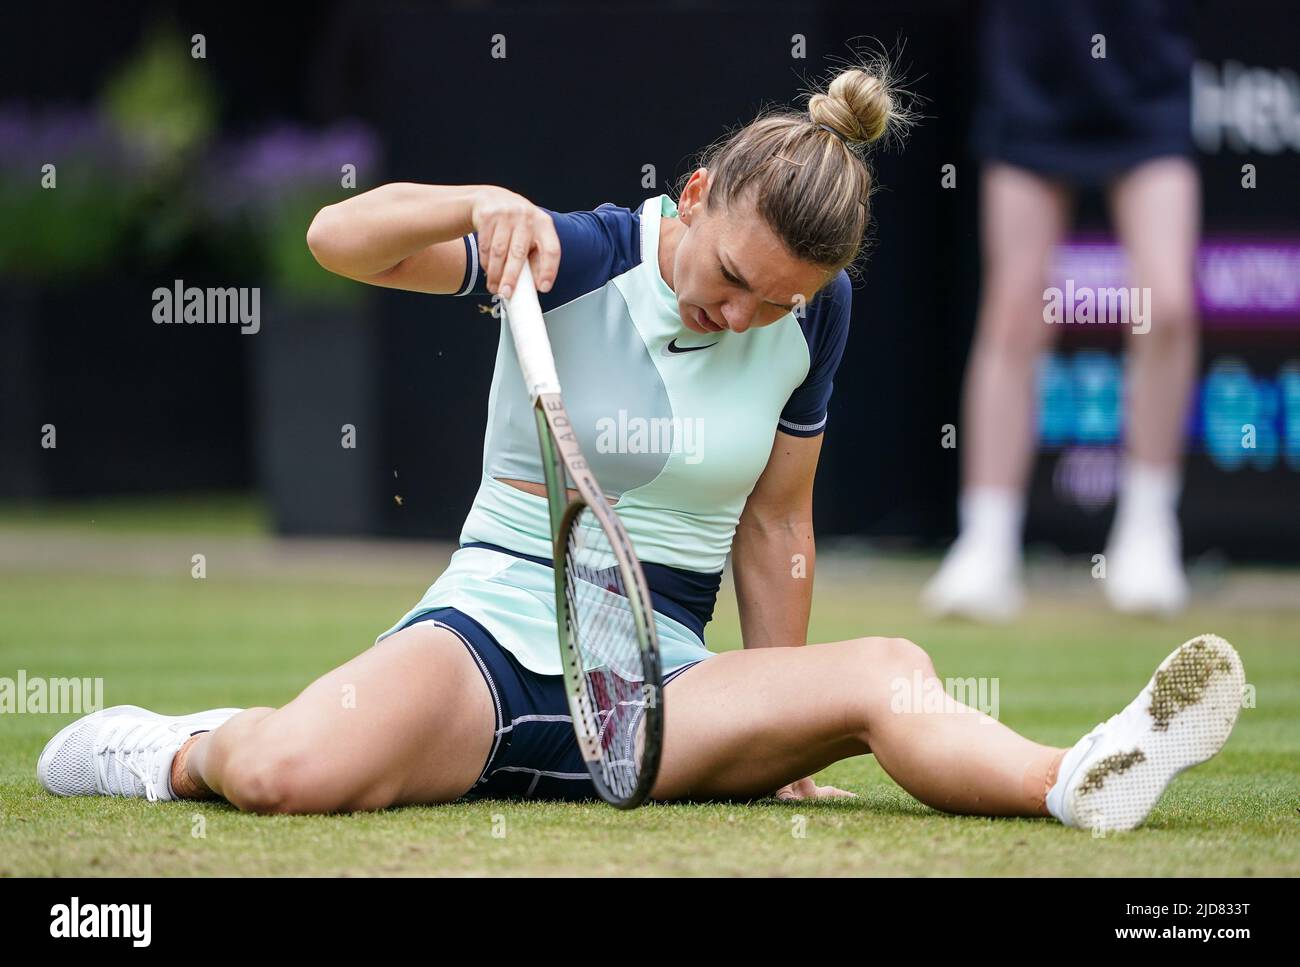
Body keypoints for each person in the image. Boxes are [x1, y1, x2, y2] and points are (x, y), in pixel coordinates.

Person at [36, 63, 1243, 834]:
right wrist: (475, 203)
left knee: (889, 669)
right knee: (287, 773)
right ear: (698, 195)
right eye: (731, 278)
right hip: (487, 637)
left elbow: (777, 520)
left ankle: (1074, 776)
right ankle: (174, 745)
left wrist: (777, 719)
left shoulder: (813, 314)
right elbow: (333, 239)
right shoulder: (571, 254)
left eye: (774, 303)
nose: (740, 316)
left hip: (665, 685)